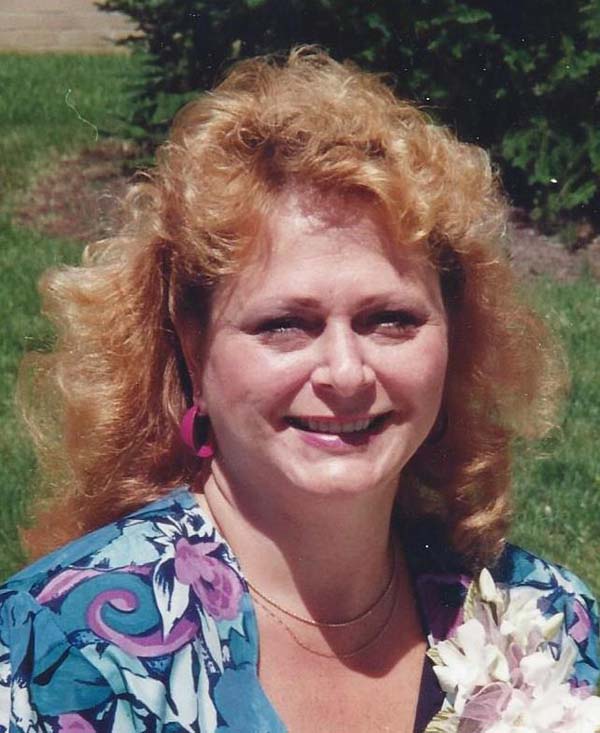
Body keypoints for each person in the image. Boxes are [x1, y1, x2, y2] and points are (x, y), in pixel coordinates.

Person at [0, 47, 598, 733]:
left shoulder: (547, 628)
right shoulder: (61, 657)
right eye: (285, 324)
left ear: (455, 335)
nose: (345, 372)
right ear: (192, 348)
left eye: (390, 319)